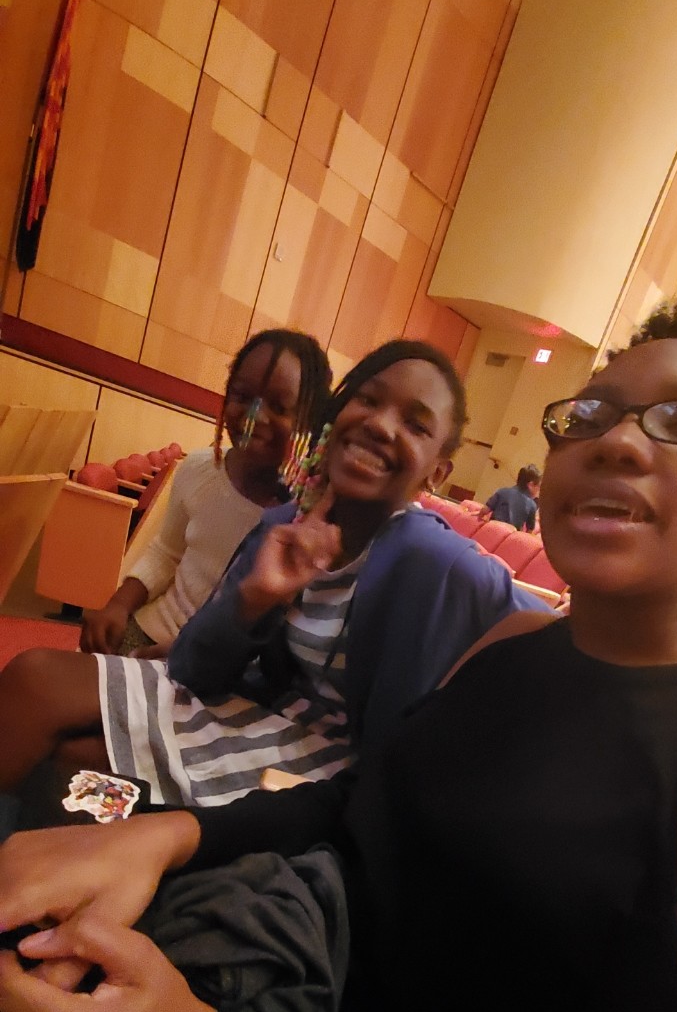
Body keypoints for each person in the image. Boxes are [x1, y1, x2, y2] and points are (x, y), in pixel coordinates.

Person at [0, 290, 677, 1012]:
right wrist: (165, 834)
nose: (618, 441)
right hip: (257, 979)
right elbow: (366, 802)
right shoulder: (515, 646)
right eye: (591, 412)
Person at [0, 341, 538, 803]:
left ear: (437, 471)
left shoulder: (435, 558)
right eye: (368, 400)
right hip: (251, 710)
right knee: (37, 683)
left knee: (75, 762)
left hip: (323, 770)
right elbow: (195, 668)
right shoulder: (285, 523)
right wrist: (251, 602)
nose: (379, 423)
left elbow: (553, 633)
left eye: (415, 424)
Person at [78, 328, 332, 657]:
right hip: (150, 630)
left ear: (311, 422)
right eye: (242, 396)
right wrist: (118, 605)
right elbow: (166, 553)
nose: (254, 417)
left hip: (213, 663)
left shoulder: (305, 519)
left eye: (279, 407)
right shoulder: (199, 470)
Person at [486, 464, 541, 530]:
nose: (539, 490)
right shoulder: (532, 505)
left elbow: (485, 510)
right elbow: (530, 530)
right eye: (539, 486)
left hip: (491, 529)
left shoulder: (502, 491)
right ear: (531, 485)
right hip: (509, 534)